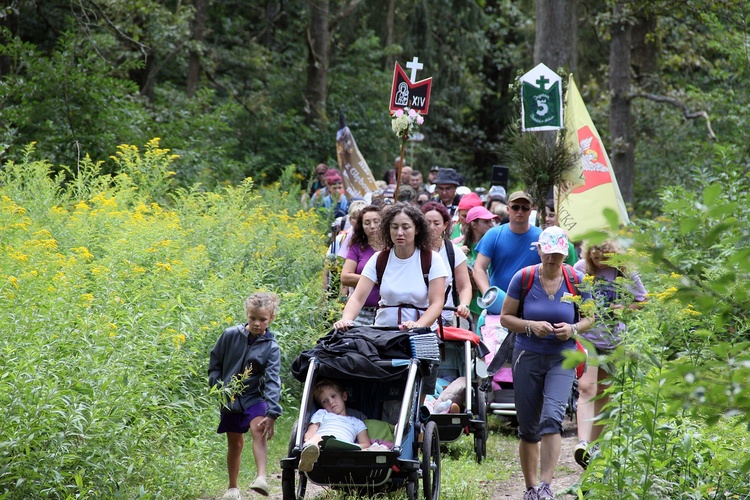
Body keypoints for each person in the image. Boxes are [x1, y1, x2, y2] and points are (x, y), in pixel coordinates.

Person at [499, 227, 594, 500]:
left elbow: (591, 318)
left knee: (552, 418)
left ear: (565, 254)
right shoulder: (524, 277)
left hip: (562, 357)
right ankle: (530, 488)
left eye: (557, 254)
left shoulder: (577, 279)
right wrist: (529, 326)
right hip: (526, 355)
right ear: (539, 250)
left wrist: (573, 328)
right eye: (547, 252)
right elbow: (506, 317)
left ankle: (545, 486)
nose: (552, 259)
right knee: (528, 426)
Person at [573, 241, 648, 470]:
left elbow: (643, 300)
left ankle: (593, 447)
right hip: (588, 338)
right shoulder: (579, 269)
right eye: (595, 257)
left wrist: (624, 309)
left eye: (605, 257)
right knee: (587, 387)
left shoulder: (625, 272)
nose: (599, 262)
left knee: (605, 394)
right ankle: (583, 441)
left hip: (614, 340)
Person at [208, 292, 282, 499]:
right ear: (247, 315)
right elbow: (215, 365)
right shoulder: (229, 335)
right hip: (230, 397)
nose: (257, 323)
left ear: (271, 318)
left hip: (254, 396)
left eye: (263, 319)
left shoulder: (271, 348)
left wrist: (273, 411)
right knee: (235, 442)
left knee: (258, 429)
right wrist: (219, 387)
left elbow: (273, 380)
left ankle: (261, 478)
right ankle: (233, 488)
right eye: (253, 318)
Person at [333, 202, 447, 332]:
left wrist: (419, 324)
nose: (399, 232)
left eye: (405, 227)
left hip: (420, 336)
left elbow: (437, 303)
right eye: (394, 227)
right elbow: (358, 297)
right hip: (383, 336)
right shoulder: (379, 259)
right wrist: (346, 319)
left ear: (417, 229)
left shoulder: (432, 259)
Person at [473, 191, 543, 296]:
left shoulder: (541, 237)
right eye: (515, 207)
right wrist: (488, 294)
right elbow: (479, 268)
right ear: (508, 209)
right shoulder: (493, 234)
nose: (520, 211)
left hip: (532, 301)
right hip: (500, 301)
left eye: (525, 208)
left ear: (531, 210)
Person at [299, 379, 373, 472]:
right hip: (323, 444)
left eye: (333, 396)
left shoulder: (357, 422)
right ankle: (309, 455)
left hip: (345, 446)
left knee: (370, 450)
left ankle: (310, 452)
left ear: (344, 396)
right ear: (322, 406)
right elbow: (311, 432)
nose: (331, 402)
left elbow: (366, 444)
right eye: (325, 401)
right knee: (317, 438)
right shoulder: (322, 413)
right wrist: (307, 441)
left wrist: (354, 448)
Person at [421, 201, 472, 325]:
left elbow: (464, 286)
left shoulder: (453, 253)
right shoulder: (411, 251)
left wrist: (464, 304)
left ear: (445, 225)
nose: (432, 227)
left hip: (443, 320)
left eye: (436, 223)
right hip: (415, 316)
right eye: (427, 223)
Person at [340, 205, 382, 325]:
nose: (372, 226)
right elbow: (345, 277)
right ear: (362, 227)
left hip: (385, 312)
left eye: (376, 221)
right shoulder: (357, 248)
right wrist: (373, 279)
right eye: (367, 223)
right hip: (360, 312)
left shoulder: (392, 250)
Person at [458, 206, 499, 324]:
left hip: (491, 303)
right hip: (467, 307)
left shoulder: (496, 246)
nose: (491, 224)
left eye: (491, 221)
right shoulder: (459, 248)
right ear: (474, 224)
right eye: (486, 222)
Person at [542, 201, 578, 266]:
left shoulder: (568, 245)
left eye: (551, 215)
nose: (547, 219)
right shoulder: (538, 238)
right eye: (545, 215)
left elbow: (572, 270)